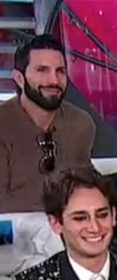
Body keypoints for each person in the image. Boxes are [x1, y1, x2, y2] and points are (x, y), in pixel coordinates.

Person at [0, 34, 95, 213]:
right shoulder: (3, 125)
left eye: (60, 71)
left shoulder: (80, 124)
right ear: (19, 78)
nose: (54, 80)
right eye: (42, 70)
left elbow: (85, 184)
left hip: (69, 226)